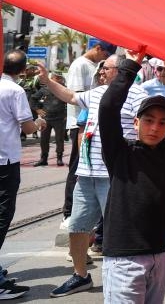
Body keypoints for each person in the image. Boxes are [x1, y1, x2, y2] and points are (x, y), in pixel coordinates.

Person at [39, 54, 148, 297]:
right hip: (86, 174)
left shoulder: (138, 95)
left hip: (115, 175)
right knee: (77, 226)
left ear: (120, 71)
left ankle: (121, 277)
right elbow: (70, 96)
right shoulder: (97, 93)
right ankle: (80, 275)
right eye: (100, 68)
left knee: (117, 229)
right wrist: (47, 81)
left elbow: (147, 127)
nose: (100, 72)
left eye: (104, 68)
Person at [99, 48, 165, 304]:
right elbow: (108, 107)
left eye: (163, 122)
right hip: (124, 259)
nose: (155, 127)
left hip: (158, 256)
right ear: (136, 122)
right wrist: (131, 65)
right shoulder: (119, 152)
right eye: (148, 120)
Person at [1, 51, 47, 300]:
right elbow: (26, 126)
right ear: (22, 71)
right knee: (2, 216)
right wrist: (39, 123)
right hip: (5, 161)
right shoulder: (15, 91)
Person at [61, 41, 115, 220]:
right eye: (105, 55)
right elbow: (75, 96)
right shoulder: (80, 65)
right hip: (81, 123)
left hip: (93, 122)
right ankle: (69, 212)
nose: (104, 62)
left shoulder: (93, 65)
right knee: (78, 167)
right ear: (98, 49)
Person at [33, 73, 67, 166]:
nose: (60, 79)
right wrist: (38, 109)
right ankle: (43, 159)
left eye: (60, 78)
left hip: (59, 118)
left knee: (59, 139)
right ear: (51, 78)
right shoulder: (45, 88)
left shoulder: (64, 89)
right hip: (46, 118)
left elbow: (70, 102)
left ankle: (59, 158)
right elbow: (33, 98)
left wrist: (67, 114)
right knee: (44, 139)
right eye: (57, 78)